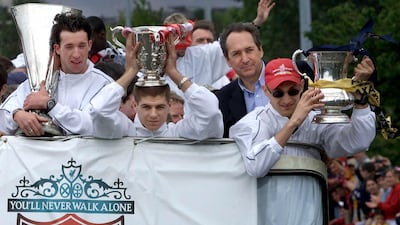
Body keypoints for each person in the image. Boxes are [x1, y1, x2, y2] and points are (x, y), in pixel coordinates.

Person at [229, 58, 376, 225]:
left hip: (310, 215)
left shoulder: (316, 119)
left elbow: (359, 141)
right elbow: (256, 166)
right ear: (266, 91)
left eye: (292, 91)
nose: (286, 99)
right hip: (268, 217)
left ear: (301, 87)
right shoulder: (253, 122)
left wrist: (360, 100)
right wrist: (293, 123)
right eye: (278, 93)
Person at [89, 32, 223, 139]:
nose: (153, 115)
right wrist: (130, 72)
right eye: (146, 107)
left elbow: (210, 112)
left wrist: (174, 73)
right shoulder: (125, 131)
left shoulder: (177, 134)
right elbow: (99, 110)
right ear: (135, 105)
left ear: (169, 105)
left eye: (160, 107)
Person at [0, 13, 114, 136]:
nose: (76, 54)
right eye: (69, 47)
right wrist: (17, 114)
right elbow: (4, 116)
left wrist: (50, 105)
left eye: (81, 46)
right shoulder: (38, 82)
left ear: (89, 45)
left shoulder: (104, 84)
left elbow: (94, 126)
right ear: (57, 48)